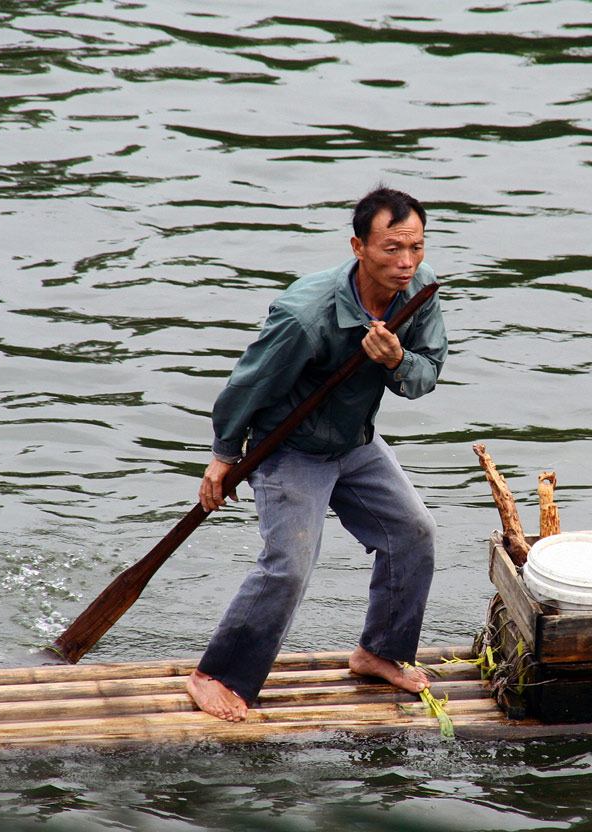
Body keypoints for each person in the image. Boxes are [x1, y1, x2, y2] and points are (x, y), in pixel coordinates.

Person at [186, 186, 446, 722]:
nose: (405, 262)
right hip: (291, 447)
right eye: (391, 249)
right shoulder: (307, 313)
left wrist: (397, 359)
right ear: (358, 247)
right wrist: (223, 455)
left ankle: (380, 652)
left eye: (416, 248)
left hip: (356, 441)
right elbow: (248, 384)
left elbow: (425, 377)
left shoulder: (419, 292)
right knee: (288, 566)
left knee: (413, 532)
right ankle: (217, 674)